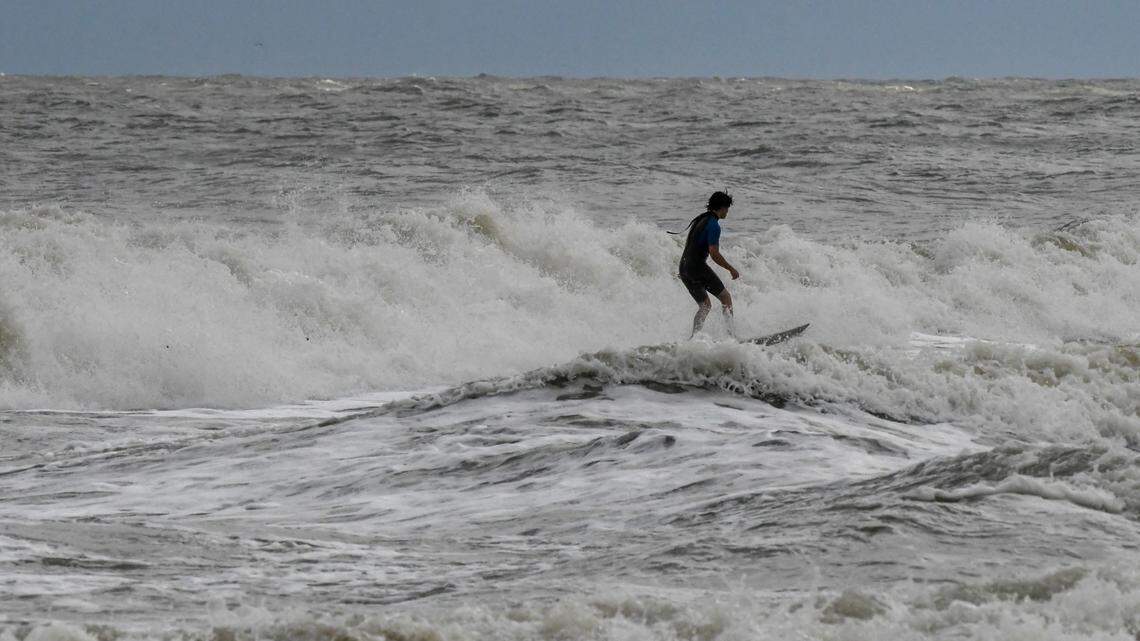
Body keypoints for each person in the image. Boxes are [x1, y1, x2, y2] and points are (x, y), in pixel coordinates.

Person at [678, 191, 740, 339]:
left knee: (705, 306)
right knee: (725, 298)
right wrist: (731, 269)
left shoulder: (700, 219)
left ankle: (694, 339)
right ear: (722, 207)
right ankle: (732, 337)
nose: (727, 212)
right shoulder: (713, 225)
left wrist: (687, 270)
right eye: (727, 208)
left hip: (684, 266)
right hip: (696, 267)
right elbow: (714, 253)